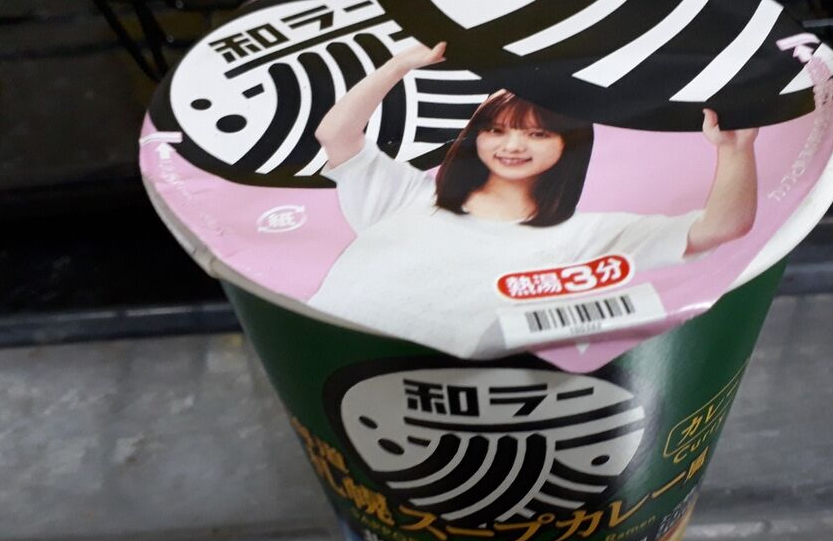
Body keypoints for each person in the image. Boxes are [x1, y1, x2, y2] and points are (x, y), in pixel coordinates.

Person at [310, 42, 758, 358]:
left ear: (568, 146)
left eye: (537, 134)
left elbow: (720, 228)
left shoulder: (586, 234)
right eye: (496, 130)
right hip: (314, 346)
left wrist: (735, 151)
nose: (512, 146)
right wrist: (400, 65)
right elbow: (335, 134)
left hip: (429, 388)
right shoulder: (408, 196)